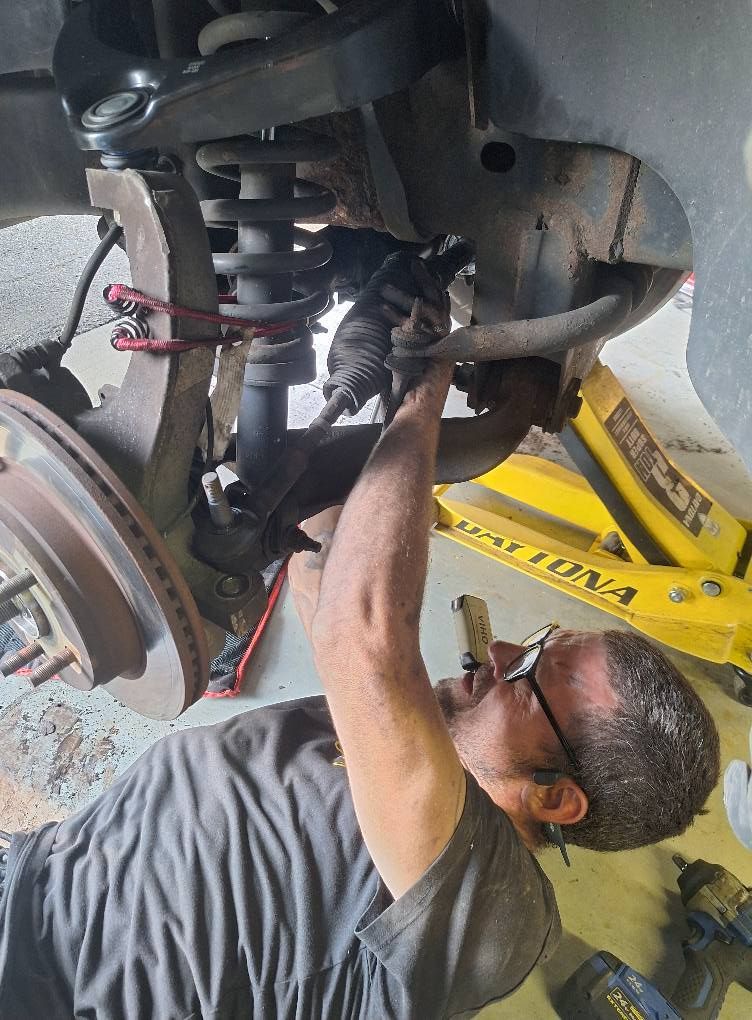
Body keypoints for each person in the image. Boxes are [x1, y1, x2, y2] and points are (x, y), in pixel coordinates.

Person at [0, 360, 719, 1020]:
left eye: (530, 674)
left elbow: (363, 637)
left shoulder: (499, 911)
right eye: (531, 645)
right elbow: (323, 572)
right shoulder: (404, 744)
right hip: (37, 873)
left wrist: (426, 385)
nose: (497, 652)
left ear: (556, 796)